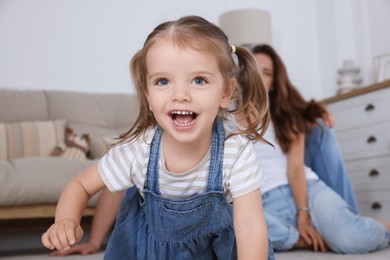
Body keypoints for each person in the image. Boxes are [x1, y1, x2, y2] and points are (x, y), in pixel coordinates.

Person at [42, 15, 272, 259]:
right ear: (148, 95)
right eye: (163, 81)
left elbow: (250, 226)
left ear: (226, 92)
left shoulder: (235, 151)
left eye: (199, 80)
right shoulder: (140, 149)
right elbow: (79, 185)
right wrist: (65, 220)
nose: (180, 95)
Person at [251, 44, 390, 253]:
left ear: (273, 83)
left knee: (352, 239)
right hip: (262, 203)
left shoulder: (288, 116)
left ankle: (383, 227)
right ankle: (300, 239)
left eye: (267, 73)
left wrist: (303, 215)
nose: (259, 76)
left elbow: (295, 169)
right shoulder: (227, 115)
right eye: (254, 69)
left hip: (306, 191)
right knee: (233, 225)